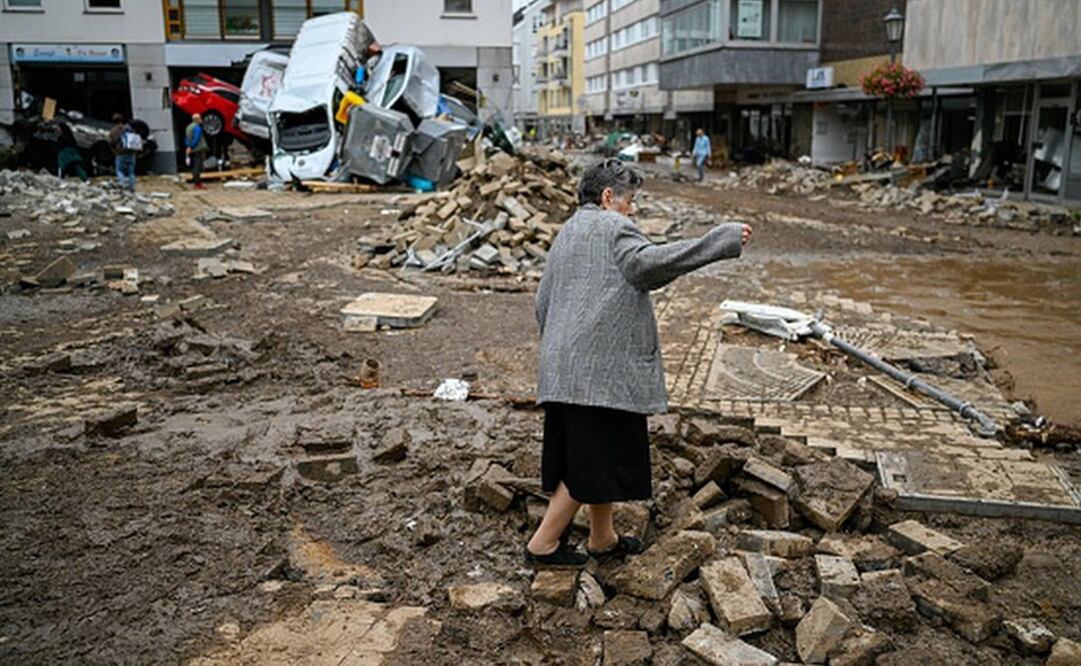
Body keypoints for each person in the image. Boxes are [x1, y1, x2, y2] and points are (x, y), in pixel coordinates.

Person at [524, 159, 753, 567]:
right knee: (589, 462)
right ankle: (542, 543)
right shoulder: (614, 227)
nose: (634, 210)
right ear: (609, 197)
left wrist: (563, 349)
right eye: (631, 201)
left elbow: (542, 302)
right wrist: (719, 241)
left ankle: (602, 537)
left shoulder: (569, 230)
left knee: (598, 454)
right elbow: (647, 265)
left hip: (565, 368)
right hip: (597, 372)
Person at [108, 113, 137, 191]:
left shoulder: (114, 131)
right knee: (131, 172)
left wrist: (114, 150)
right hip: (131, 152)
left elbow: (111, 142)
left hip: (120, 153)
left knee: (119, 170)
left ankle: (122, 185)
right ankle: (132, 188)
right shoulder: (129, 128)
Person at [185, 112, 209, 190]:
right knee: (197, 166)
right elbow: (196, 138)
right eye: (200, 118)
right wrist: (192, 146)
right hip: (198, 149)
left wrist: (188, 146)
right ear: (197, 119)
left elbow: (187, 138)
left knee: (194, 165)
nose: (201, 120)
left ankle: (196, 182)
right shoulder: (197, 127)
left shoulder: (188, 127)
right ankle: (197, 183)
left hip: (191, 149)